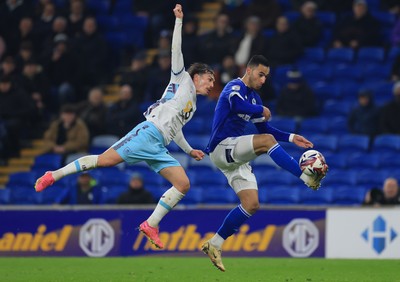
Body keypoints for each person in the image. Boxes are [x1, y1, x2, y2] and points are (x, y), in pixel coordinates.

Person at [34, 4, 215, 250]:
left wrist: (188, 150)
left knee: (183, 184)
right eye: (209, 79)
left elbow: (176, 128)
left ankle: (151, 224)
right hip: (147, 133)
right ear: (197, 76)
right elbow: (176, 49)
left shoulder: (191, 106)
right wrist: (179, 21)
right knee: (104, 161)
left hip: (160, 145)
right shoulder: (181, 79)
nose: (211, 84)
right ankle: (52, 175)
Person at [201, 55, 327, 272]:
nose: (263, 80)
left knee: (251, 204)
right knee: (266, 143)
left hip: (234, 157)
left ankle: (214, 244)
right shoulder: (234, 87)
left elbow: (265, 131)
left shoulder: (255, 100)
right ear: (248, 71)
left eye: (266, 76)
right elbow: (235, 104)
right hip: (221, 147)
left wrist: (290, 137)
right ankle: (305, 177)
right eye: (260, 75)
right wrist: (260, 110)